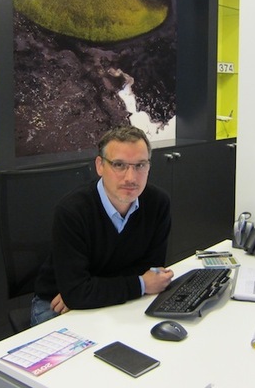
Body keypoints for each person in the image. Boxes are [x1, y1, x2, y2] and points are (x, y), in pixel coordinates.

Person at [31, 125, 174, 326]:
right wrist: (140, 283)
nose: (131, 178)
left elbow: (151, 270)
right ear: (100, 166)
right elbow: (77, 293)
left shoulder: (158, 203)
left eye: (140, 165)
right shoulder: (72, 211)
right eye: (119, 165)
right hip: (56, 303)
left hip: (105, 297)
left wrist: (87, 291)